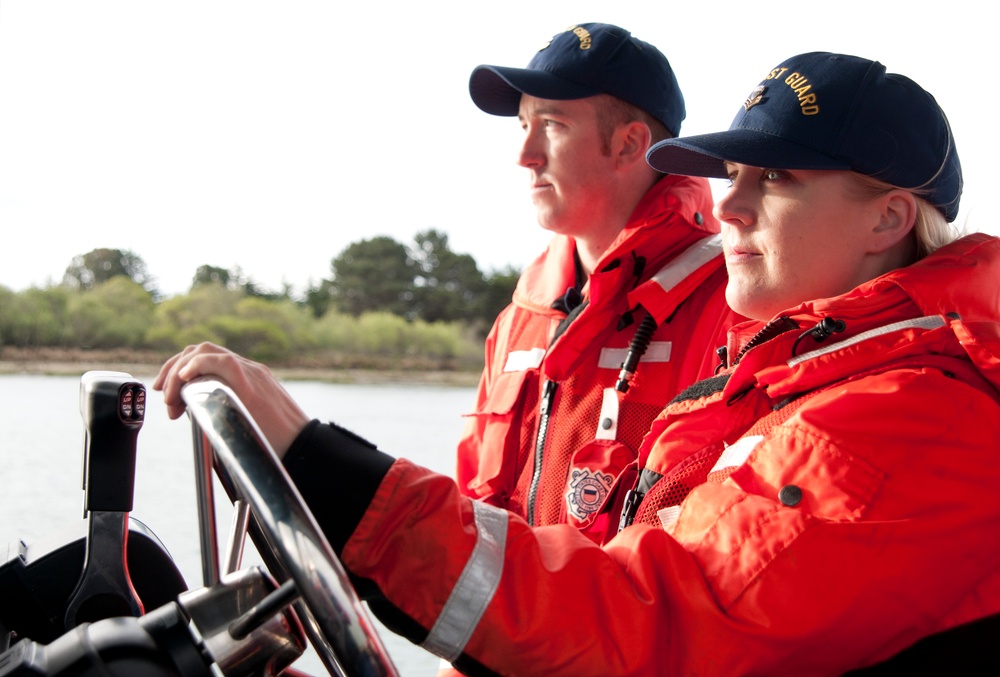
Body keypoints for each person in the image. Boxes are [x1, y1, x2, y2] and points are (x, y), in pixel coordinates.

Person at [156, 51, 1000, 675]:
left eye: (774, 177)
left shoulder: (909, 417)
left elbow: (653, 623)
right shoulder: (807, 378)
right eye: (731, 173)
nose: (730, 205)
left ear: (889, 218)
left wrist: (327, 470)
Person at [459, 23, 741, 542]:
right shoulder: (522, 317)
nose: (525, 155)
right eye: (522, 125)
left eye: (552, 125)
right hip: (505, 619)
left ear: (629, 144)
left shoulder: (733, 308)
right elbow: (472, 510)